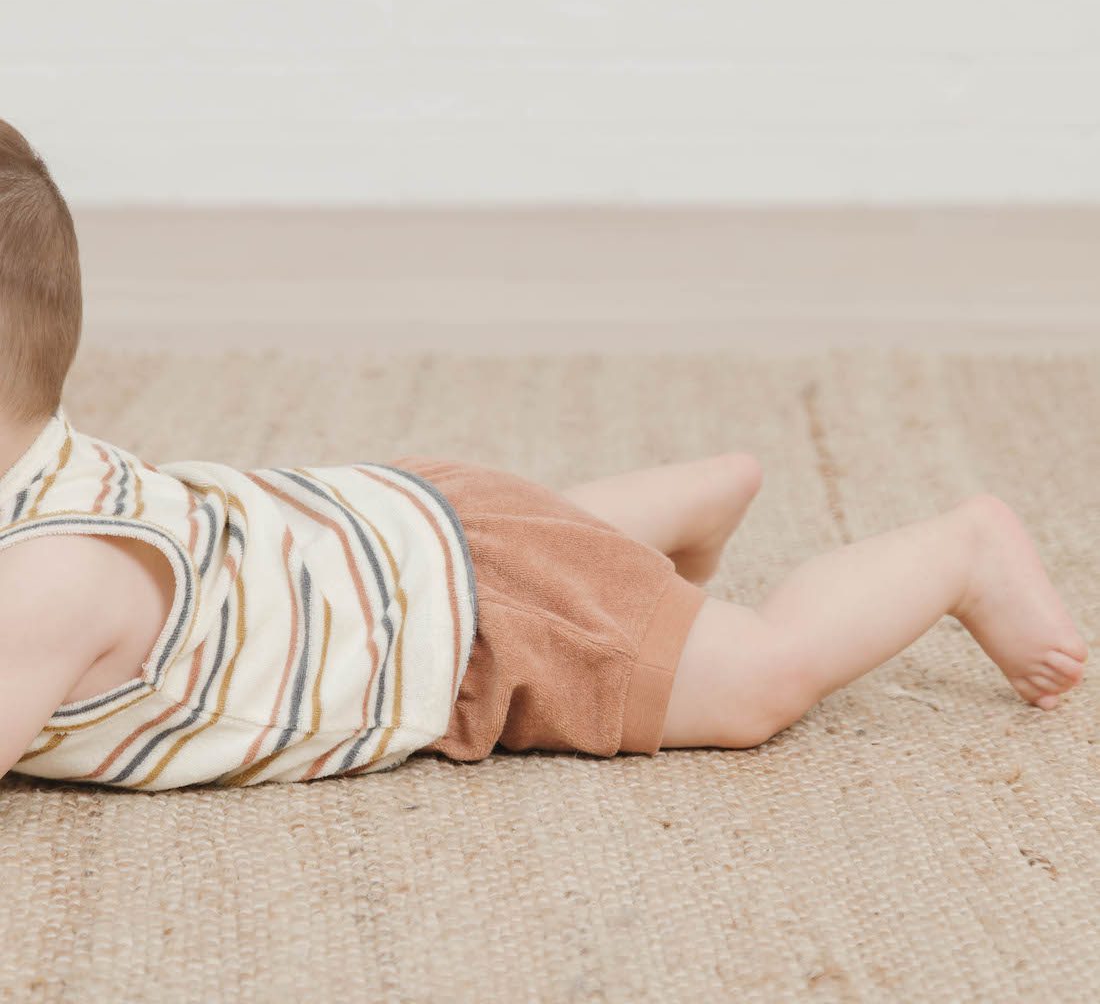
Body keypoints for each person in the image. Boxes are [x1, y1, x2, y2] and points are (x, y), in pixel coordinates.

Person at [0, 119, 1087, 793]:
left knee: (753, 681)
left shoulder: (46, 584)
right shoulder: (40, 497)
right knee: (535, 541)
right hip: (407, 528)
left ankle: (959, 553)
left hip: (482, 629)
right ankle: (682, 506)